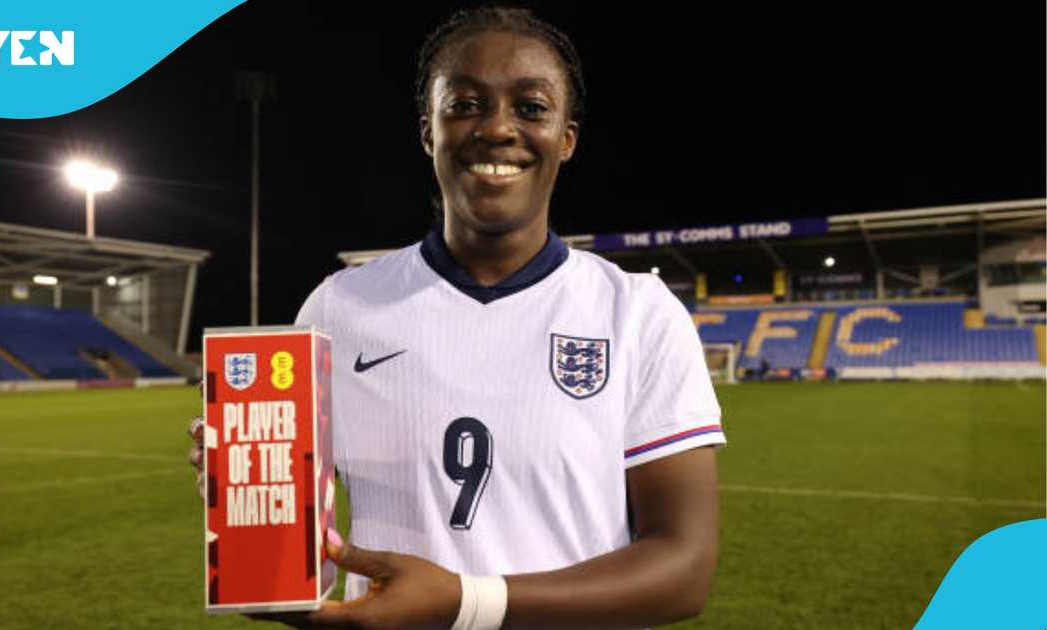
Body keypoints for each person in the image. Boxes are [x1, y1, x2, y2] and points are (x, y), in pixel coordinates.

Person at [190, 7, 726, 628]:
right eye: (466, 104)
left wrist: (467, 603)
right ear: (429, 132)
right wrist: (252, 505)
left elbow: (683, 569)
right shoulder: (339, 308)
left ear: (567, 137)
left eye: (531, 107)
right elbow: (291, 578)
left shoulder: (638, 312)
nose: (496, 128)